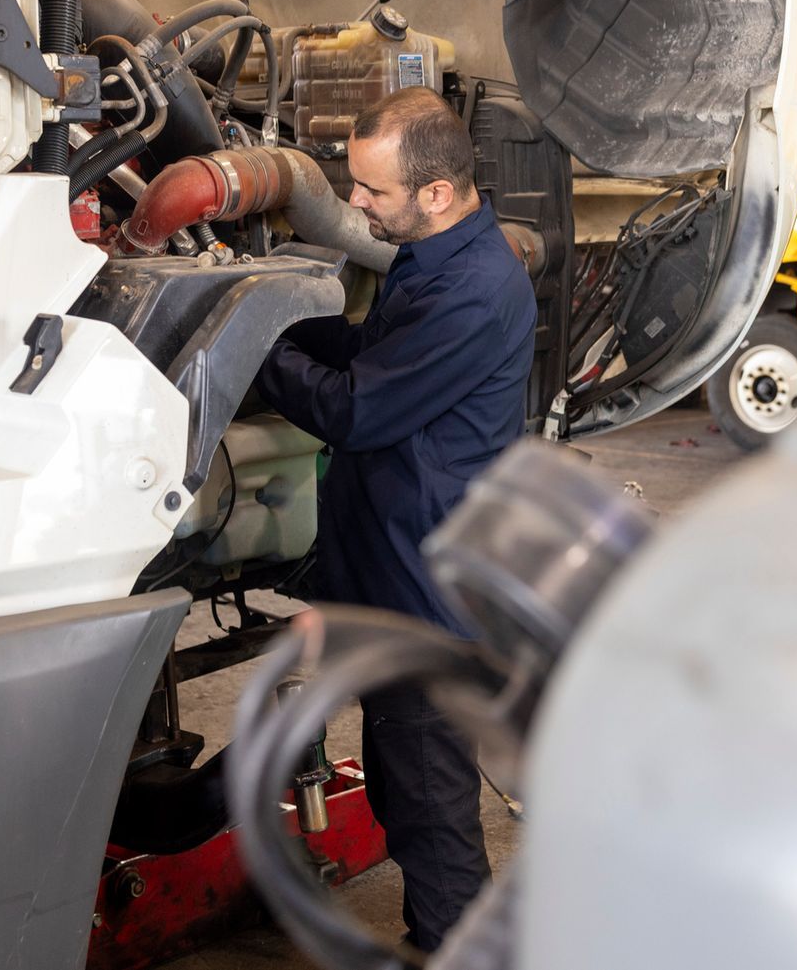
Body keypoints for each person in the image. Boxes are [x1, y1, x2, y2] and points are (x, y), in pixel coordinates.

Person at [254, 85, 536, 952]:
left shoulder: (476, 290)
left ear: (438, 193)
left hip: (428, 595)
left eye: (372, 191)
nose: (357, 204)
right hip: (389, 569)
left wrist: (254, 349)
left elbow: (357, 410)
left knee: (428, 808)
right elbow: (376, 354)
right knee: (401, 784)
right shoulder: (433, 255)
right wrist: (291, 324)